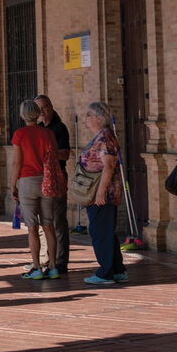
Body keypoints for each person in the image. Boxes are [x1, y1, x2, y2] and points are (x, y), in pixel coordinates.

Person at [9, 100, 61, 280]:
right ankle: (53, 267)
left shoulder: (19, 134)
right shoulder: (48, 133)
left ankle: (37, 267)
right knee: (48, 225)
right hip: (46, 181)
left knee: (32, 227)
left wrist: (12, 184)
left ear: (23, 115)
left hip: (27, 181)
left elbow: (17, 162)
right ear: (38, 113)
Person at [79, 102, 130, 284]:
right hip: (99, 192)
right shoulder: (102, 136)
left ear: (99, 118)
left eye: (89, 115)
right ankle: (117, 270)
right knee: (106, 231)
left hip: (102, 194)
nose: (86, 119)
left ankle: (105, 273)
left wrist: (100, 193)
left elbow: (108, 166)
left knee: (99, 231)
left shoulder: (105, 137)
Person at [35, 95, 74, 273]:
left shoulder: (59, 128)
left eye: (45, 107)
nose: (42, 112)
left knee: (58, 221)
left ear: (51, 107)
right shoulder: (36, 129)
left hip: (57, 177)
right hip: (40, 178)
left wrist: (47, 153)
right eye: (39, 109)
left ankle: (60, 261)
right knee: (43, 221)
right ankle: (45, 259)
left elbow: (65, 154)